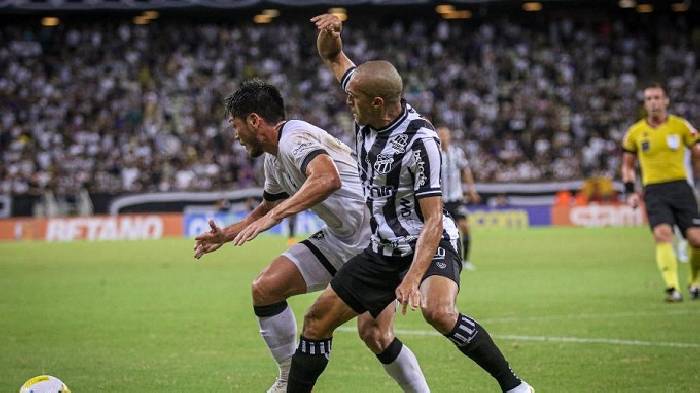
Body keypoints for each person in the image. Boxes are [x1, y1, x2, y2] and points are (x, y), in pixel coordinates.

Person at [282, 14, 534, 393]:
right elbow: (334, 58)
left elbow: (433, 219)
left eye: (355, 100)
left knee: (439, 311)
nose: (348, 103)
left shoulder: (421, 142)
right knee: (317, 321)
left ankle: (514, 387)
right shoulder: (366, 94)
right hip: (383, 250)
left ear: (378, 102)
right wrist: (330, 33)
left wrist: (413, 279)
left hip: (428, 243)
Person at [194, 79, 430, 392]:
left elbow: (327, 178)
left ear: (254, 120)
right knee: (265, 288)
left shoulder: (295, 137)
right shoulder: (274, 158)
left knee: (375, 334)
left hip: (378, 240)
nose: (235, 135)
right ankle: (288, 377)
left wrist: (277, 216)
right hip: (341, 238)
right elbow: (268, 207)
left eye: (234, 125)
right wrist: (225, 235)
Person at [621, 82, 700, 302]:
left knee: (696, 239)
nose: (653, 102)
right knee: (662, 234)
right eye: (649, 99)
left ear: (666, 101)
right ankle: (673, 287)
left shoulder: (681, 126)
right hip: (654, 190)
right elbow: (627, 165)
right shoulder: (635, 132)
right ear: (645, 104)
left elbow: (697, 152)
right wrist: (630, 191)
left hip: (681, 187)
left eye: (657, 97)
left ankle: (695, 282)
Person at [438, 126, 481, 270]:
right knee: (437, 232)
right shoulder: (434, 153)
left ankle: (466, 260)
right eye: (441, 135)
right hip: (440, 200)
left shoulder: (457, 153)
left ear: (449, 137)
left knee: (465, 227)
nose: (443, 137)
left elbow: (466, 171)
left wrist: (471, 190)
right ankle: (440, 259)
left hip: (456, 198)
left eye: (445, 135)